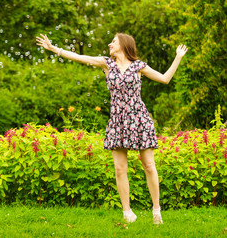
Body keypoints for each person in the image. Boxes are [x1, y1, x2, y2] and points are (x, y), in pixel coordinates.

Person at [36, 33, 187, 224]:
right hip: (118, 121)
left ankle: (156, 211)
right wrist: (55, 49)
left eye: (113, 41)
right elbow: (80, 57)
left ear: (124, 44)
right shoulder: (107, 64)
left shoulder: (139, 66)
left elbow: (165, 79)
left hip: (139, 119)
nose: (110, 44)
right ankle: (127, 213)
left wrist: (178, 57)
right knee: (119, 168)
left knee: (148, 165)